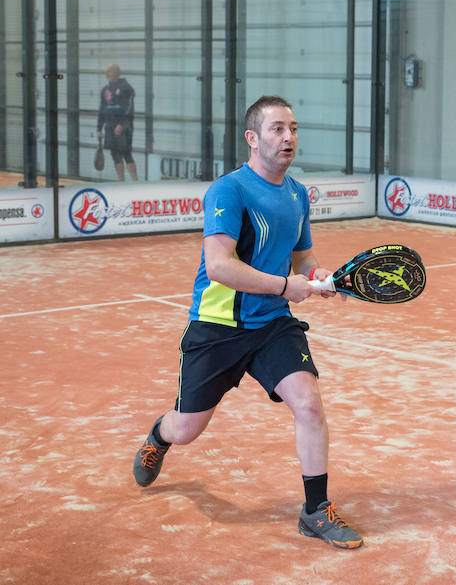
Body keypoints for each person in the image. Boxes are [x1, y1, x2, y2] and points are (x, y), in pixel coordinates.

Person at [131, 95, 363, 550]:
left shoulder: (296, 194)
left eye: (293, 128)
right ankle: (160, 435)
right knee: (187, 429)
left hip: (272, 324)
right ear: (252, 138)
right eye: (277, 128)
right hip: (217, 327)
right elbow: (218, 266)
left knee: (309, 403)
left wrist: (319, 279)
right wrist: (284, 285)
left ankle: (315, 510)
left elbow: (304, 257)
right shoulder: (229, 190)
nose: (289, 137)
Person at [97, 64, 138, 181]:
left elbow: (129, 108)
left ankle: (135, 182)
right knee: (115, 154)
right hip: (109, 126)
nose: (109, 75)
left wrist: (121, 124)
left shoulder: (126, 88)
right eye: (108, 73)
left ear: (117, 74)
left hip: (124, 126)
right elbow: (102, 109)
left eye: (111, 73)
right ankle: (121, 182)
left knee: (126, 153)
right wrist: (99, 128)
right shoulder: (105, 90)